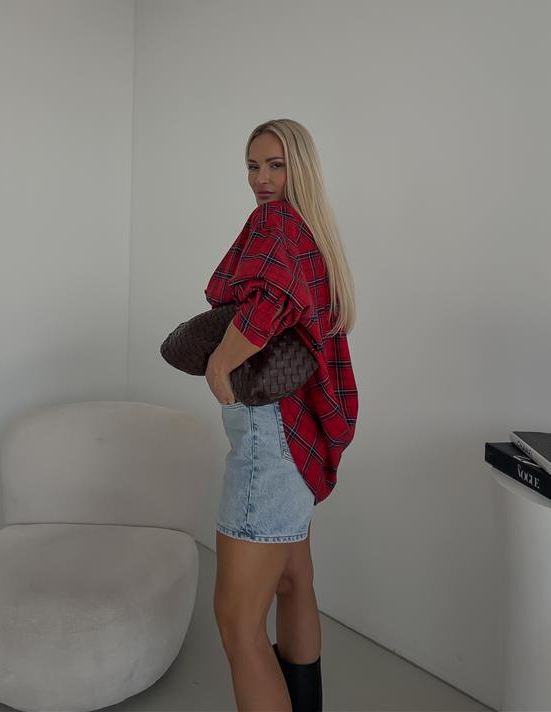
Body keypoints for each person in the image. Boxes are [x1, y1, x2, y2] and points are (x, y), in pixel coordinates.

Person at [204, 118, 359, 711]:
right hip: (300, 434)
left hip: (269, 436)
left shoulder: (275, 224)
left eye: (275, 165)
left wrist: (220, 363)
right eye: (252, 166)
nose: (261, 179)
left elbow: (272, 299)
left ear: (300, 167)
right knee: (295, 583)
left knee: (237, 623)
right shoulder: (312, 230)